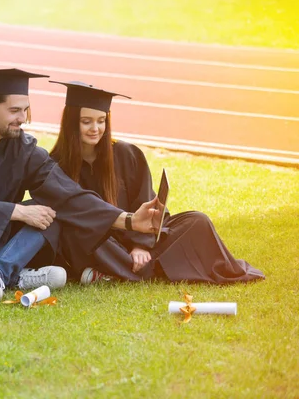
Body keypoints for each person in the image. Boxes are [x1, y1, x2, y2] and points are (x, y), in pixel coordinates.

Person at [0, 68, 162, 301]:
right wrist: (16, 211)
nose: (23, 119)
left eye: (26, 110)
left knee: (49, 211)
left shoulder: (24, 147)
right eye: (15, 111)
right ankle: (14, 273)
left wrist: (128, 220)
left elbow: (67, 194)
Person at [48, 80, 265, 283]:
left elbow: (147, 203)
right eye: (86, 122)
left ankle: (114, 271)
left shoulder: (126, 154)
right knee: (74, 232)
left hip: (139, 239)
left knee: (198, 221)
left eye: (101, 121)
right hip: (101, 243)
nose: (95, 129)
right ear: (71, 123)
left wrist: (140, 245)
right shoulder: (57, 165)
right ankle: (137, 268)